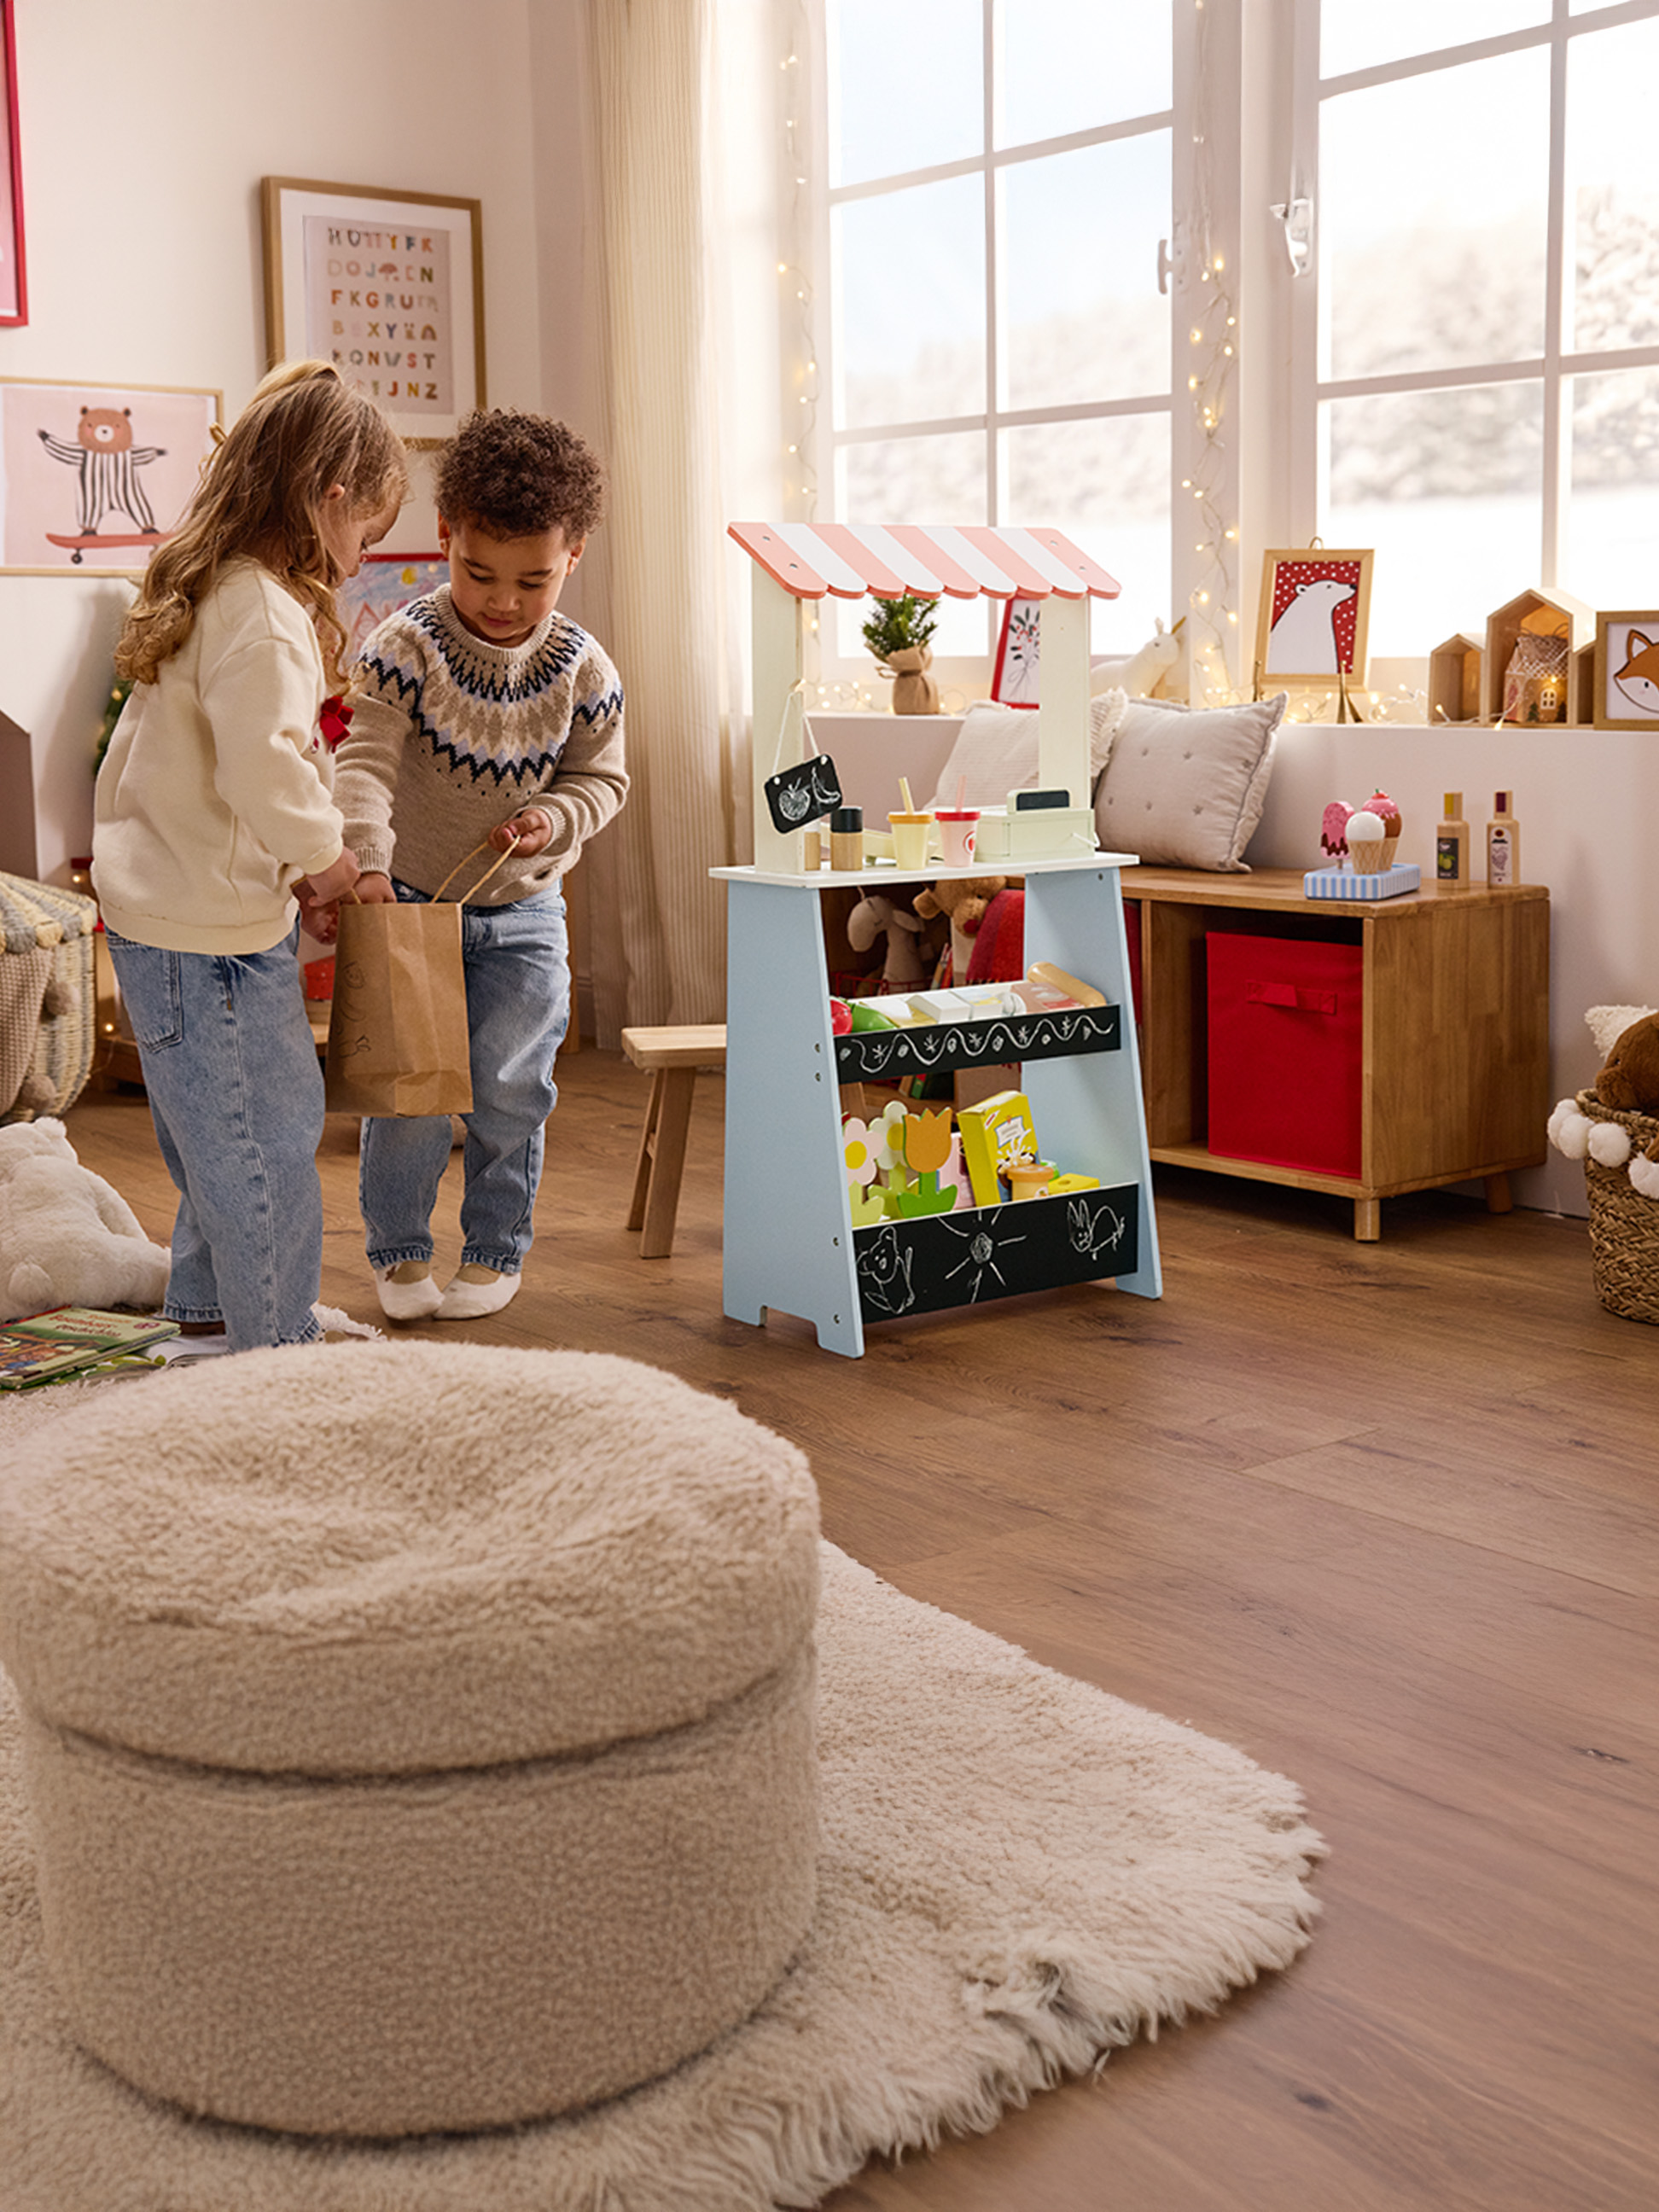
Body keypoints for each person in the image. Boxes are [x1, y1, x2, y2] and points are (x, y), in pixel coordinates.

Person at [92, 360, 407, 1352]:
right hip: (212, 940)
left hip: (166, 915)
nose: (362, 555)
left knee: (209, 1139)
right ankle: (275, 1351)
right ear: (329, 497)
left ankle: (207, 1315)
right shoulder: (264, 613)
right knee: (263, 1144)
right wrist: (327, 866)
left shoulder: (215, 588)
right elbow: (267, 771)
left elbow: (224, 779)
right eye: (365, 530)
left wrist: (293, 870)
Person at [330, 409, 626, 1322]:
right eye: (478, 573)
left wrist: (552, 816)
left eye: (533, 581)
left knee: (510, 1091)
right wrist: (368, 863)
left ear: (572, 555)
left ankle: (496, 1252)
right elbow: (365, 761)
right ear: (446, 538)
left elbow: (602, 781)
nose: (503, 600)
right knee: (412, 1096)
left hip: (527, 913)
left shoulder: (585, 669)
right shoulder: (403, 648)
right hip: (413, 906)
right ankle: (401, 1252)